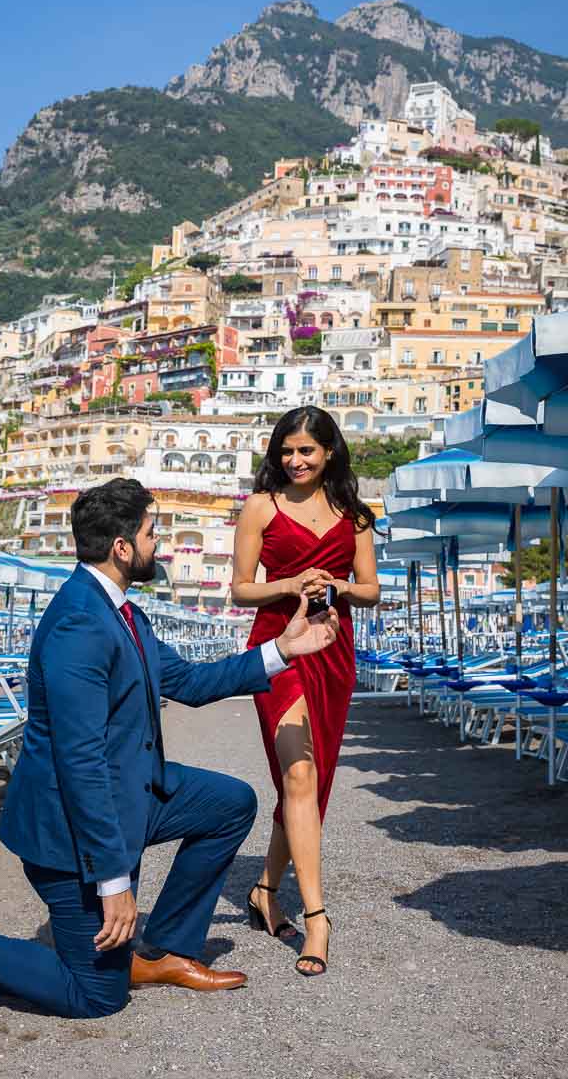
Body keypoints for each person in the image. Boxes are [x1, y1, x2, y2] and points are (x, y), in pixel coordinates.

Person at [0, 477, 339, 1020]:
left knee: (230, 804)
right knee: (96, 995)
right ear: (122, 547)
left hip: (131, 794)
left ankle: (165, 948)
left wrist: (282, 650)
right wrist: (114, 881)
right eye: (150, 533)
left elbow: (188, 682)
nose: (157, 544)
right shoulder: (79, 624)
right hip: (70, 835)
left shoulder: (122, 611)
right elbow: (80, 764)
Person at [231, 407, 379, 977]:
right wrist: (290, 583)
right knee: (297, 775)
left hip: (333, 653)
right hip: (276, 648)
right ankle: (317, 917)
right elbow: (241, 589)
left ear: (329, 454)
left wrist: (338, 584)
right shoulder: (260, 507)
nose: (295, 460)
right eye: (287, 450)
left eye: (306, 451)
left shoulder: (354, 516)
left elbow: (369, 591)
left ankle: (266, 890)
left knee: (311, 786)